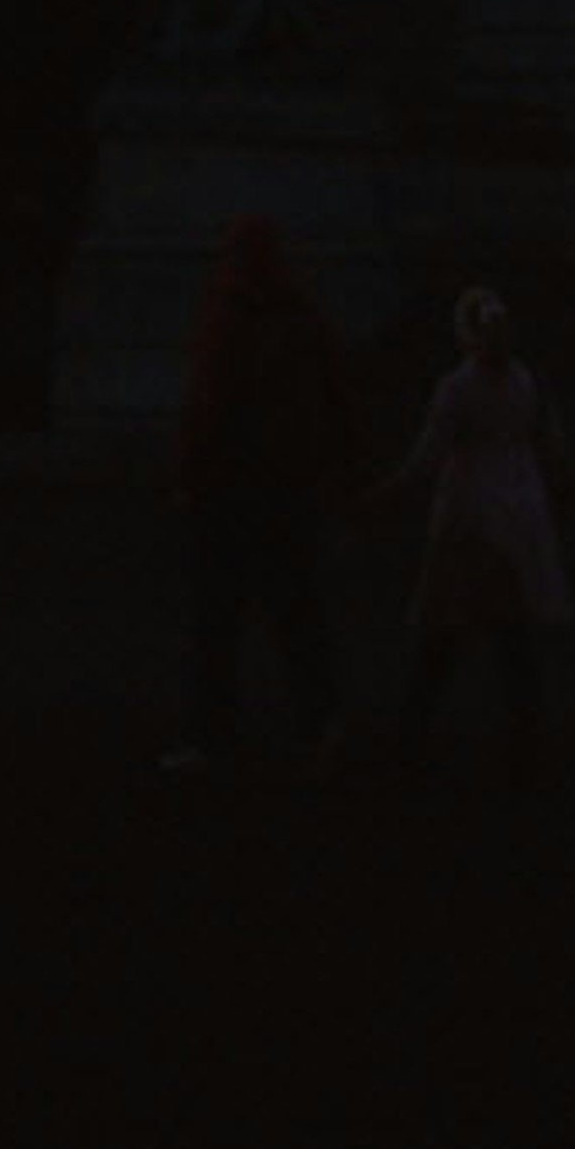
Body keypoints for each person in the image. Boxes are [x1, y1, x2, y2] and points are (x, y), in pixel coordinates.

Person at [166, 216, 355, 769]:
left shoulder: (228, 316)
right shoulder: (303, 317)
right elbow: (336, 396)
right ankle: (320, 723)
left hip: (230, 488)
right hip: (290, 486)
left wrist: (187, 474)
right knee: (298, 612)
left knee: (216, 620)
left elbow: (207, 403)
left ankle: (213, 734)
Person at [386, 287, 567, 786]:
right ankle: (526, 737)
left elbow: (428, 455)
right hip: (519, 516)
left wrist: (388, 490)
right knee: (512, 634)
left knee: (442, 631)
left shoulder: (456, 388)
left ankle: (412, 733)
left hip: (468, 516)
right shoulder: (527, 382)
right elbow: (551, 445)